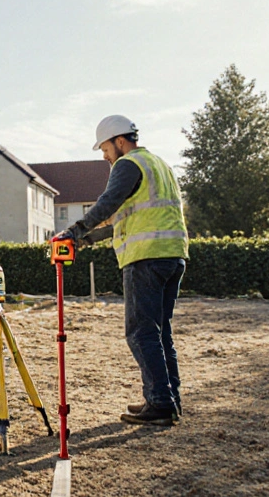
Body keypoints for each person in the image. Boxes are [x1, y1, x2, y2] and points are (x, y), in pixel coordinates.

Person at [53, 115, 189, 426]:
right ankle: (169, 399)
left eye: (104, 149)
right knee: (160, 333)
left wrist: (73, 231)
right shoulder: (160, 165)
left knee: (141, 333)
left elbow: (108, 203)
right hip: (173, 256)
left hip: (146, 258)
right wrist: (86, 239)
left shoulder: (127, 165)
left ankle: (160, 403)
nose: (104, 156)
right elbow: (127, 219)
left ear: (119, 141)